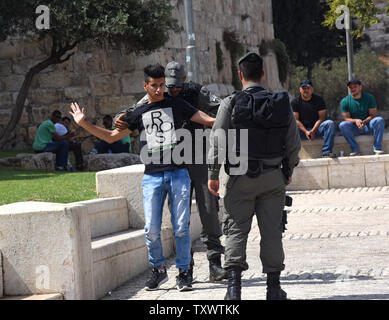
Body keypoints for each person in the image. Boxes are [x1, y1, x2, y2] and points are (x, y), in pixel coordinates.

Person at [69, 64, 215, 292]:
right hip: (152, 178)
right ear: (145, 85)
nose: (159, 90)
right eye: (154, 85)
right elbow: (110, 137)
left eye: (161, 85)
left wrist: (232, 116)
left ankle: (184, 272)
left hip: (179, 173)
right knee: (151, 230)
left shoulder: (177, 104)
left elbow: (207, 119)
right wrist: (83, 123)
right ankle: (158, 270)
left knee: (181, 228)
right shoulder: (138, 113)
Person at [114, 61, 227, 283]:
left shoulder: (198, 93)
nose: (171, 90)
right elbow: (135, 110)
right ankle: (188, 266)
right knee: (179, 217)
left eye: (175, 86)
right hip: (172, 162)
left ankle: (214, 263)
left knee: (209, 210)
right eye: (168, 85)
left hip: (197, 157)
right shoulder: (157, 93)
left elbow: (221, 109)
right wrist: (120, 116)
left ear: (184, 80)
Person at [207, 52, 301, 300]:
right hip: (273, 176)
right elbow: (293, 143)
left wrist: (213, 174)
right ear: (263, 74)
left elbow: (217, 142)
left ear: (239, 76)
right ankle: (273, 289)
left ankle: (234, 290)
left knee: (236, 230)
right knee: (272, 232)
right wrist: (288, 170)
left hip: (240, 178)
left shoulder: (230, 103)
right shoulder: (280, 103)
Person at [339, 79, 385, 156]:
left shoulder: (369, 98)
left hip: (368, 126)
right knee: (343, 125)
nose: (352, 89)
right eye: (350, 87)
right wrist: (356, 121)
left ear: (360, 87)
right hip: (354, 128)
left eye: (355, 87)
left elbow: (373, 115)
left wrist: (364, 122)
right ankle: (355, 149)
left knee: (379, 120)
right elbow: (346, 118)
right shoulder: (345, 101)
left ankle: (377, 148)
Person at [291, 80, 336, 158]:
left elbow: (321, 118)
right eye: (304, 88)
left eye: (308, 88)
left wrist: (313, 131)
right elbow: (296, 120)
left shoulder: (319, 100)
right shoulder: (295, 102)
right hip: (302, 131)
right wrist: (306, 132)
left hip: (317, 129)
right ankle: (292, 155)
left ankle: (327, 152)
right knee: (289, 127)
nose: (306, 90)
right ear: (300, 90)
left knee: (330, 123)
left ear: (312, 89)